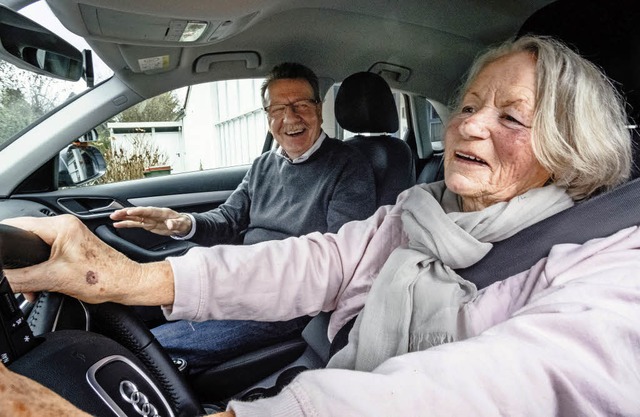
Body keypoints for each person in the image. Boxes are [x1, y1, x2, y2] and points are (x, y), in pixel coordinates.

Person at [3, 35, 639, 416]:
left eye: (512, 117)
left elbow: (501, 388)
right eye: (468, 106)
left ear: (571, 145)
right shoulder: (420, 210)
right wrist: (130, 268)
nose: (469, 125)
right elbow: (314, 258)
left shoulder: (614, 261)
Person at [108, 62, 377, 374]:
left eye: (301, 105)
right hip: (237, 275)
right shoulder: (264, 165)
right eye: (277, 108)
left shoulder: (348, 166)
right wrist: (183, 223)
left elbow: (340, 260)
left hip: (285, 297)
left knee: (144, 353)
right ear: (267, 117)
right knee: (121, 312)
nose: (290, 118)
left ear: (318, 108)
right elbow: (228, 218)